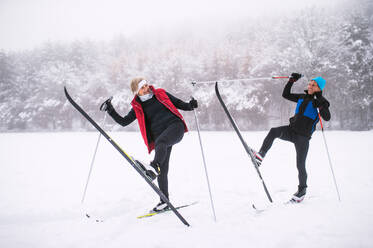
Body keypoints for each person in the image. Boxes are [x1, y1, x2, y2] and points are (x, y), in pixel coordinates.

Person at [102, 77, 198, 211]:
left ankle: (153, 167)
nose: (146, 89)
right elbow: (124, 122)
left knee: (161, 144)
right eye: (142, 88)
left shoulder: (160, 93)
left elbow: (179, 103)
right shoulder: (137, 106)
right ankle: (164, 201)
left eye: (146, 85)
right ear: (136, 92)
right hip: (161, 140)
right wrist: (110, 109)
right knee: (163, 170)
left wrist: (191, 105)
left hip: (175, 127)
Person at [252, 73, 331, 203]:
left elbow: (327, 117)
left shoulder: (320, 102)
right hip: (291, 131)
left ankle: (301, 191)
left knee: (300, 165)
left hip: (303, 138)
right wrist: (291, 81)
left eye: (313, 85)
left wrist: (321, 102)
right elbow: (286, 94)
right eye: (310, 83)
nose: (310, 86)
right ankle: (260, 156)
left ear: (319, 88)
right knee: (274, 131)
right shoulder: (302, 96)